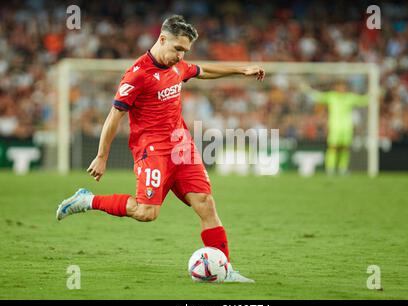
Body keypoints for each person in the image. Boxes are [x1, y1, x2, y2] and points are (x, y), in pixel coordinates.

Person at [56, 15, 265, 283]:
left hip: (182, 146)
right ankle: (87, 200)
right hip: (152, 152)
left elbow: (202, 71)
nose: (180, 56)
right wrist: (101, 156)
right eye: (177, 49)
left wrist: (241, 70)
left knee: (206, 204)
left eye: (185, 51)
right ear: (162, 39)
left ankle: (225, 269)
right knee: (146, 213)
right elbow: (114, 116)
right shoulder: (137, 74)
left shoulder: (177, 67)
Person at [301, 80, 368, 175]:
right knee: (332, 148)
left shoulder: (350, 97)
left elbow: (363, 100)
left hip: (346, 127)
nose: (341, 89)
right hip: (335, 127)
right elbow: (318, 97)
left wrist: (374, 94)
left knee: (345, 148)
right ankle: (330, 168)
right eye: (339, 87)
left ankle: (342, 168)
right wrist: (307, 90)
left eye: (342, 87)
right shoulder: (331, 96)